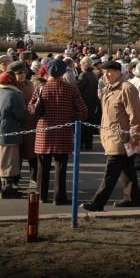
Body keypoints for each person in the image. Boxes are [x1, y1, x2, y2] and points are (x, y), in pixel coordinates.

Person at [81, 61, 140, 211]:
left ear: (118, 73)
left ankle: (97, 202)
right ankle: (132, 198)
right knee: (127, 169)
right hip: (111, 136)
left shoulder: (127, 88)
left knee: (110, 172)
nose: (106, 75)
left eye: (110, 72)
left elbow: (135, 116)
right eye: (105, 72)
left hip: (120, 139)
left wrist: (134, 138)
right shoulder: (110, 88)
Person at [28, 59, 88, 204]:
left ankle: (41, 195)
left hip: (44, 131)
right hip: (64, 131)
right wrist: (72, 119)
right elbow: (83, 111)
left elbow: (31, 108)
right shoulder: (71, 89)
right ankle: (59, 197)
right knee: (61, 166)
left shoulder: (41, 88)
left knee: (43, 165)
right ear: (63, 72)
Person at [0, 71, 29, 198]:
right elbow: (21, 114)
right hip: (9, 131)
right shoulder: (14, 94)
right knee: (8, 161)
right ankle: (7, 189)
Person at [9, 61, 38, 188]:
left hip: (30, 123)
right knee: (17, 154)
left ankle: (34, 178)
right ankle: (15, 178)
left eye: (25, 72)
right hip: (16, 123)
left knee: (32, 152)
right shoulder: (11, 87)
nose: (22, 75)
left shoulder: (30, 84)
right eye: (19, 73)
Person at [76, 56, 99, 150]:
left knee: (82, 125)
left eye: (82, 64)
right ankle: (88, 143)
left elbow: (77, 88)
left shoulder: (84, 75)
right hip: (92, 103)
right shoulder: (93, 75)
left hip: (84, 102)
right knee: (89, 124)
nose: (80, 66)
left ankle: (80, 144)